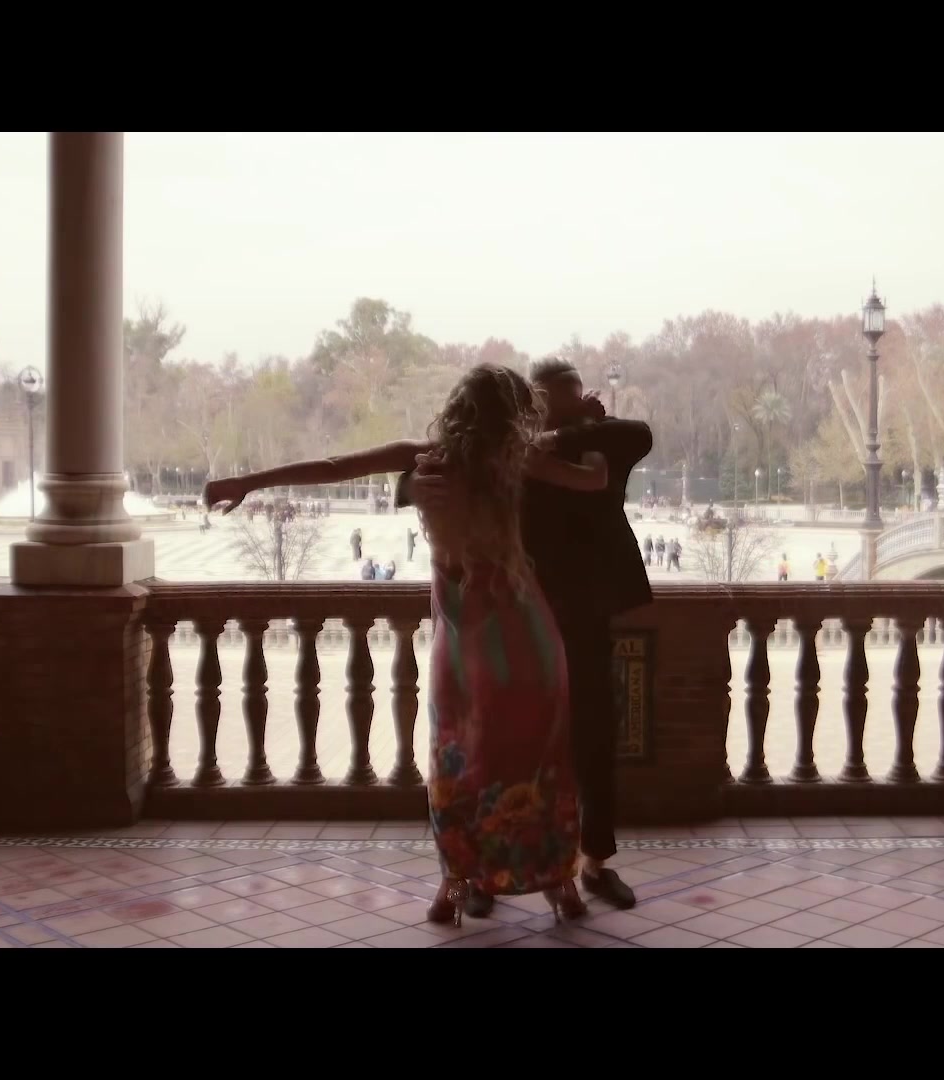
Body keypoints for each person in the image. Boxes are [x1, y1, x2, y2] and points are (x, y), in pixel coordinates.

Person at [205, 364, 599, 925]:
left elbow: (334, 466)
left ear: (459, 407)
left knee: (457, 753)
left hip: (465, 636)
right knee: (540, 755)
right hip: (526, 631)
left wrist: (245, 482)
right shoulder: (519, 459)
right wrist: (585, 425)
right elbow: (593, 481)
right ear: (515, 416)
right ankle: (560, 884)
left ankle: (455, 886)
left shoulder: (424, 459)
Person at [417, 357, 651, 914]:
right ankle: (484, 874)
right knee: (493, 742)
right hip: (517, 614)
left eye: (568, 399)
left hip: (583, 613)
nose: (548, 412)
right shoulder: (509, 457)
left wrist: (575, 429)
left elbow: (635, 435)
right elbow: (433, 475)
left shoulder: (600, 441)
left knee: (590, 740)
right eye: (544, 403)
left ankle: (591, 862)